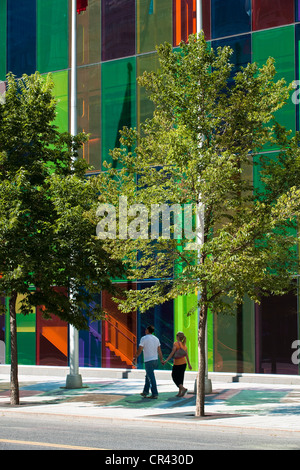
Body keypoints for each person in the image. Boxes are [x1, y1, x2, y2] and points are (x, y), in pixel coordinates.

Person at [132, 325, 163, 399]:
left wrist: (135, 357)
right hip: (155, 360)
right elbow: (159, 350)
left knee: (151, 376)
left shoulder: (144, 338)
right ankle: (145, 392)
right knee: (148, 375)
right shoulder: (156, 339)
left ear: (148, 330)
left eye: (146, 329)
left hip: (148, 360)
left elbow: (140, 349)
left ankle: (155, 393)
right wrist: (161, 359)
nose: (145, 330)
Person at [162, 331, 192, 397]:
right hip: (184, 363)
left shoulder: (176, 344)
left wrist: (166, 360)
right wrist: (189, 364)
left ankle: (183, 389)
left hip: (177, 364)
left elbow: (172, 353)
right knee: (181, 378)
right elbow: (186, 355)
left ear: (178, 337)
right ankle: (180, 392)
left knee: (174, 376)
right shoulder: (184, 345)